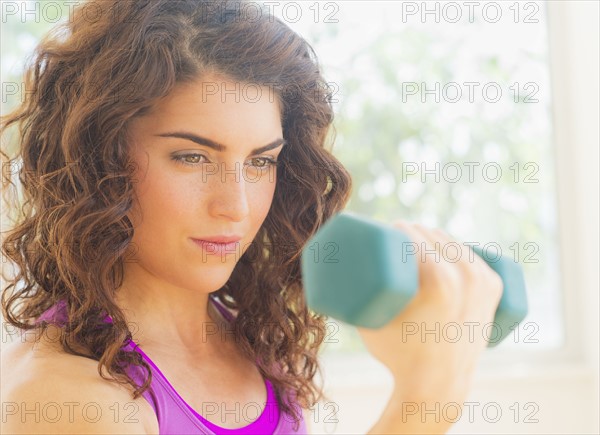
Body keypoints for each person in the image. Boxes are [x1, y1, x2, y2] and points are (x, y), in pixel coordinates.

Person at [0, 1, 503, 434]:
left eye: (261, 161)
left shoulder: (249, 340)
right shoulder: (69, 398)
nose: (236, 206)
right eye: (192, 157)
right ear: (99, 159)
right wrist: (425, 402)